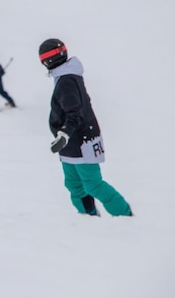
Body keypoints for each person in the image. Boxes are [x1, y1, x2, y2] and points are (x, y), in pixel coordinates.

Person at [39, 38, 132, 216]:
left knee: (93, 185)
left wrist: (64, 134)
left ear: (46, 61)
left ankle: (125, 216)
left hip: (81, 140)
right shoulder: (66, 76)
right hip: (71, 142)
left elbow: (75, 112)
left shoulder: (67, 80)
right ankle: (88, 219)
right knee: (74, 185)